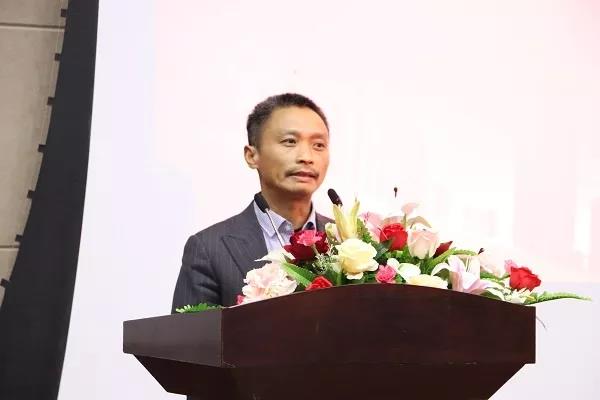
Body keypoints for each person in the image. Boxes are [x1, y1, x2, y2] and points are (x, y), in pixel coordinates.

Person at [171, 93, 332, 310]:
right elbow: (189, 331)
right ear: (251, 155)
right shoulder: (209, 249)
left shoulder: (349, 242)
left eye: (319, 145)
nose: (306, 156)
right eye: (290, 142)